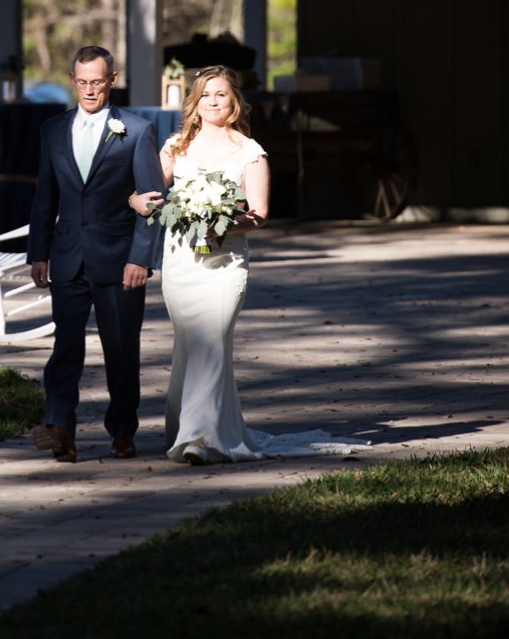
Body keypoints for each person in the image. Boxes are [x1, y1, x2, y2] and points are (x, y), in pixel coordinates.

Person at [130, 65, 368, 465]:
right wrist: (137, 202)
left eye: (221, 94)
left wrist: (220, 226)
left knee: (213, 343)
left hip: (224, 265)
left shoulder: (250, 153)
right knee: (190, 346)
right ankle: (193, 428)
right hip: (181, 263)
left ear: (235, 101)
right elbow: (148, 194)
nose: (212, 102)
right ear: (195, 101)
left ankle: (200, 441)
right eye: (205, 95)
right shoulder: (175, 147)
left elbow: (259, 214)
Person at [27, 45, 165, 463]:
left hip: (119, 258)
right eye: (83, 82)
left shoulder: (137, 130)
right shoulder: (52, 129)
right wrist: (38, 253)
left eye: (97, 82)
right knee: (65, 348)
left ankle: (122, 430)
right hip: (68, 255)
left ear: (112, 79)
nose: (90, 90)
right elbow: (44, 196)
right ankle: (60, 429)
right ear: (73, 80)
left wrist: (141, 257)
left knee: (121, 351)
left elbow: (152, 199)